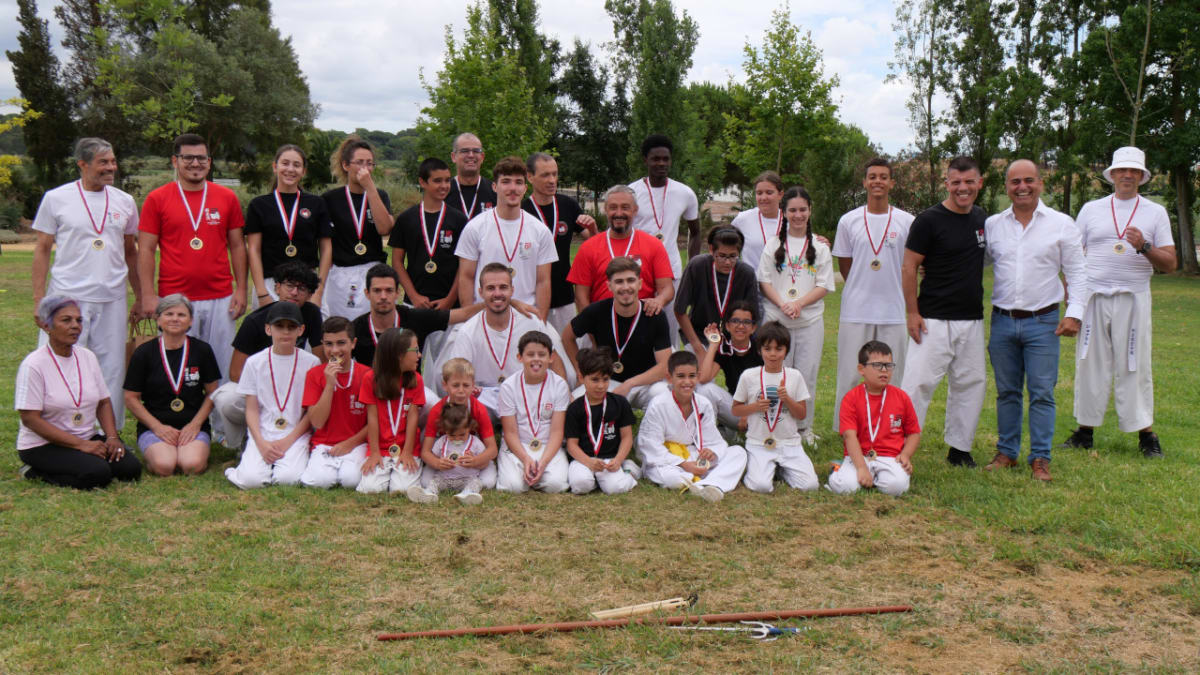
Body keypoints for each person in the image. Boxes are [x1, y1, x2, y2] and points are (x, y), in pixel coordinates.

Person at [1062, 146, 1177, 458]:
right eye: (1121, 170)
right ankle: (1085, 431)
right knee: (1089, 363)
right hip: (1094, 297)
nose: (1127, 175)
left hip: (1133, 297)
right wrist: (1072, 301)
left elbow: (1170, 264)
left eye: (1134, 171)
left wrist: (1144, 246)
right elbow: (1072, 258)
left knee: (1134, 364)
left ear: (1141, 176)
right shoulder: (1090, 210)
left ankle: (1146, 435)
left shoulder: (1155, 212)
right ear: (1111, 175)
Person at [982, 160, 1087, 481]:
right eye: (1015, 182)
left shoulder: (1061, 224)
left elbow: (1077, 271)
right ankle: (1007, 452)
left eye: (1029, 180)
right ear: (1006, 187)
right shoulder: (993, 225)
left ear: (1041, 183)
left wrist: (1075, 313)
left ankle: (1040, 458)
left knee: (1042, 392)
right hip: (1002, 321)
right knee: (1007, 392)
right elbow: (975, 261)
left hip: (1043, 322)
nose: (1022, 187)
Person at [32, 137, 142, 427]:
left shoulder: (125, 201)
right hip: (67, 298)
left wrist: (141, 298)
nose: (111, 168)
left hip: (112, 298)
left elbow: (131, 252)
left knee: (113, 368)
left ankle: (111, 434)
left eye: (113, 161)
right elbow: (42, 249)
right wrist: (39, 301)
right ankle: (56, 433)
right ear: (82, 164)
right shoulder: (56, 198)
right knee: (59, 364)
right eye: (103, 162)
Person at [900, 156, 988, 468]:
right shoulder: (928, 220)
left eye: (969, 182)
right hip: (933, 318)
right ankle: (897, 445)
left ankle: (959, 449)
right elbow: (910, 267)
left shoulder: (980, 218)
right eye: (956, 182)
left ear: (979, 182)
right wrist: (913, 312)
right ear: (947, 183)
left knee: (970, 384)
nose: (962, 188)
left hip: (972, 319)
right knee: (917, 384)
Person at [138, 132, 247, 382]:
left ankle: (219, 422)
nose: (195, 164)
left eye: (201, 158)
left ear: (209, 162)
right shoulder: (157, 198)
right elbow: (145, 250)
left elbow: (238, 247)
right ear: (175, 161)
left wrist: (241, 289)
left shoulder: (227, 197)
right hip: (174, 298)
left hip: (220, 297)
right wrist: (147, 294)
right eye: (188, 158)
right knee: (177, 367)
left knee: (221, 367)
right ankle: (179, 420)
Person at [15, 296, 142, 489]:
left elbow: (103, 402)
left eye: (78, 320)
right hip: (43, 445)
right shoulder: (33, 365)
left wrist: (112, 438)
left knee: (130, 470)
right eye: (66, 320)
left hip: (86, 436)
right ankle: (34, 471)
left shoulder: (87, 357)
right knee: (98, 474)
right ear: (47, 326)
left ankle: (83, 458)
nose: (75, 326)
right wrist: (81, 445)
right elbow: (30, 419)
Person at [830, 158, 915, 431]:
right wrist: (861, 286)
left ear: (892, 183)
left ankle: (891, 428)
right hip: (856, 310)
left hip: (893, 310)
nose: (877, 181)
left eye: (883, 177)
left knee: (892, 373)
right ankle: (845, 427)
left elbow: (910, 265)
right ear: (865, 182)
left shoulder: (906, 221)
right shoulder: (849, 220)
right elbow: (845, 265)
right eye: (872, 177)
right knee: (850, 373)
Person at [209, 262, 325, 447]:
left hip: (293, 389)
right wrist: (266, 392)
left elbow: (321, 363)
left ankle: (304, 438)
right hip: (260, 389)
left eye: (301, 288)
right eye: (289, 285)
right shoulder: (255, 321)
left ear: (310, 295)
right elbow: (235, 373)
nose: (294, 292)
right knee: (226, 399)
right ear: (277, 287)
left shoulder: (311, 314)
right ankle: (241, 442)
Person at [758, 187, 835, 443]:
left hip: (809, 321)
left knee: (805, 375)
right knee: (776, 374)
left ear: (810, 211)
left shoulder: (820, 248)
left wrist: (799, 304)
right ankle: (775, 425)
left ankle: (803, 428)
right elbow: (764, 281)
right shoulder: (773, 244)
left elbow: (824, 284)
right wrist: (783, 304)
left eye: (803, 209)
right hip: (776, 319)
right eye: (793, 210)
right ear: (784, 212)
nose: (798, 215)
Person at [436, 263, 569, 412]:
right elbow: (456, 373)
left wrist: (564, 395)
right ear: (480, 292)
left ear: (512, 290)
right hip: (483, 395)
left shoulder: (531, 322)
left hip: (523, 391)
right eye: (491, 288)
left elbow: (554, 360)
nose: (497, 293)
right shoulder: (468, 331)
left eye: (503, 287)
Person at [224, 302, 320, 489]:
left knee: (288, 479)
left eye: (291, 327)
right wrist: (260, 441)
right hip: (263, 432)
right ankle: (242, 463)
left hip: (295, 434)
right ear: (268, 329)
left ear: (301, 330)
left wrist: (288, 440)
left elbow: (310, 411)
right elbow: (251, 409)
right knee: (251, 481)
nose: (285, 332)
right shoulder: (254, 362)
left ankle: (279, 462)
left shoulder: (311, 363)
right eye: (279, 326)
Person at [123, 294, 221, 477]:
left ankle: (188, 450)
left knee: (191, 465)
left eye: (181, 315)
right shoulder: (144, 353)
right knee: (164, 466)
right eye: (169, 314)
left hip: (193, 425)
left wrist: (195, 424)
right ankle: (162, 452)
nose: (175, 319)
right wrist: (157, 427)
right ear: (158, 319)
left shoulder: (202, 350)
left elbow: (212, 392)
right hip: (155, 426)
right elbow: (130, 397)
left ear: (190, 321)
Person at [637, 351, 748, 502]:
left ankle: (709, 485)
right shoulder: (658, 404)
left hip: (694, 455)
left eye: (692, 376)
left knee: (738, 452)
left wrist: (711, 452)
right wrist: (684, 464)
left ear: (698, 376)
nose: (687, 381)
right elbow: (649, 446)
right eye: (681, 376)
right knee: (675, 479)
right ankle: (704, 482)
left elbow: (713, 440)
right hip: (668, 459)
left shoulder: (703, 403)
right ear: (669, 378)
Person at [389, 157, 469, 366]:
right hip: (415, 305)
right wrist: (413, 296)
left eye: (446, 180)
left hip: (449, 307)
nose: (444, 186)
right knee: (410, 363)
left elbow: (465, 265)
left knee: (448, 367)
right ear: (423, 182)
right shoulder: (406, 219)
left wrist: (450, 299)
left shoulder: (459, 219)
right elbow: (397, 261)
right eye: (437, 181)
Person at [563, 257, 671, 410]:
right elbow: (567, 337)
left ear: (640, 283)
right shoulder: (596, 311)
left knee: (663, 395)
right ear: (609, 286)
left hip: (644, 384)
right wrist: (580, 371)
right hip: (606, 382)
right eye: (619, 281)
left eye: (631, 280)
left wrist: (630, 383)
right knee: (576, 403)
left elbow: (664, 366)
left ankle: (652, 433)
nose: (625, 287)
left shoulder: (654, 314)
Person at [455, 156, 557, 318]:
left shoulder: (540, 231)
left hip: (526, 316)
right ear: (494, 187)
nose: (513, 188)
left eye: (518, 182)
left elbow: (543, 281)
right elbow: (466, 277)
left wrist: (541, 320)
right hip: (484, 315)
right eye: (506, 181)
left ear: (525, 188)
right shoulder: (475, 227)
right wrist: (470, 319)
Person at [350, 264, 493, 370]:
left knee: (436, 405)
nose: (383, 296)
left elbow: (463, 314)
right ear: (367, 293)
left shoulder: (414, 318)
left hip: (411, 395)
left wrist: (497, 301)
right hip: (369, 396)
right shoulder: (355, 329)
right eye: (377, 291)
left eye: (389, 290)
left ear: (398, 293)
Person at [629, 135, 700, 345]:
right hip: (638, 271)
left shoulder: (685, 193)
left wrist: (691, 266)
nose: (661, 163)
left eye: (665, 159)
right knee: (637, 329)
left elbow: (696, 232)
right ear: (645, 160)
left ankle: (668, 374)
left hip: (672, 272)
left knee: (668, 331)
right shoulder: (631, 192)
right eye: (655, 159)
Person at [731, 321, 817, 493]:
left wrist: (787, 400)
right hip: (759, 442)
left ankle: (782, 470)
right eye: (767, 348)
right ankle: (764, 468)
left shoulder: (794, 376)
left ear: (786, 351)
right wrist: (755, 407)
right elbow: (735, 410)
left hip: (788, 443)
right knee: (761, 486)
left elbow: (801, 415)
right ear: (759, 350)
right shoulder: (749, 376)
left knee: (810, 486)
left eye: (779, 349)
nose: (773, 354)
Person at [245, 144, 332, 310]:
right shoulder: (259, 205)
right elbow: (253, 250)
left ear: (304, 171)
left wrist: (318, 292)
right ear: (275, 166)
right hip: (271, 283)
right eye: (285, 163)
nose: (290, 169)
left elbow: (326, 249)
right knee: (272, 334)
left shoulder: (316, 203)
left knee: (312, 333)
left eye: (297, 165)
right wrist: (262, 293)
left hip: (307, 284)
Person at [827, 341, 920, 496]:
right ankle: (837, 469)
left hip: (890, 457)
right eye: (877, 365)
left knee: (897, 487)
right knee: (847, 488)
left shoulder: (901, 397)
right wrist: (862, 468)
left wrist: (905, 455)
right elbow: (849, 436)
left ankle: (878, 476)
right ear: (861, 369)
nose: (884, 370)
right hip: (858, 455)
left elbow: (914, 433)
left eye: (889, 366)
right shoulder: (851, 398)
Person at [566, 184, 674, 311]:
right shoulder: (588, 248)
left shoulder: (653, 245)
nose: (619, 213)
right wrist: (590, 326)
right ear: (605, 209)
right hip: (602, 324)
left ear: (635, 210)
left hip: (642, 321)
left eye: (625, 207)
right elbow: (581, 296)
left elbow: (666, 288)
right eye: (613, 208)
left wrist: (658, 300)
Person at [522, 152, 598, 333]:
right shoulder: (522, 210)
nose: (552, 180)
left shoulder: (568, 205)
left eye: (554, 174)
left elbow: (594, 242)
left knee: (567, 350)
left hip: (564, 296)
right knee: (533, 352)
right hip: (531, 298)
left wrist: (594, 227)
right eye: (545, 175)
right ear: (530, 177)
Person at [321, 135, 394, 320]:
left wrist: (370, 188)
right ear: (346, 165)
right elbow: (325, 243)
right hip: (340, 274)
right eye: (360, 162)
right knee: (339, 327)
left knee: (371, 328)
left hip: (372, 272)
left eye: (370, 163)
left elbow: (384, 229)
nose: (366, 168)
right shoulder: (330, 199)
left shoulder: (379, 195)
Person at [298, 317, 371, 489]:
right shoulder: (314, 375)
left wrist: (349, 444)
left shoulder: (367, 375)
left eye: (341, 343)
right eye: (329, 344)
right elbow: (316, 421)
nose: (335, 350)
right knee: (317, 482)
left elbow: (375, 421)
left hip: (357, 443)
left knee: (351, 480)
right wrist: (329, 384)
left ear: (353, 344)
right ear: (322, 344)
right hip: (324, 444)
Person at [494, 331, 571, 493]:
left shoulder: (559, 385)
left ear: (551, 358)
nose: (536, 359)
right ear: (520, 357)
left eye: (542, 354)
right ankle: (527, 471)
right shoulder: (508, 386)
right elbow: (510, 432)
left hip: (547, 444)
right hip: (518, 445)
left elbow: (557, 431)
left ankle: (538, 471)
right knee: (512, 487)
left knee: (555, 485)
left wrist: (542, 462)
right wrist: (525, 458)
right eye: (530, 354)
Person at [357, 329, 427, 495]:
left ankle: (401, 468)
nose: (419, 355)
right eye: (415, 350)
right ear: (398, 355)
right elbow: (372, 418)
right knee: (370, 489)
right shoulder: (371, 379)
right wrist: (374, 453)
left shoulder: (416, 379)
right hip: (380, 447)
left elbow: (412, 418)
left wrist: (408, 452)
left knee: (402, 489)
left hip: (405, 447)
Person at [675, 226, 761, 355]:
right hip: (699, 336)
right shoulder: (697, 266)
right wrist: (697, 347)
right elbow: (679, 310)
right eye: (721, 256)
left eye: (733, 256)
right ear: (711, 249)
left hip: (735, 336)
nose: (727, 262)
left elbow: (752, 316)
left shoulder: (746, 273)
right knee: (702, 373)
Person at [564, 348, 638, 495]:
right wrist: (589, 462)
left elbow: (627, 437)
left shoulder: (620, 403)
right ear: (581, 377)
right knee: (580, 485)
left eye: (605, 379)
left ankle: (627, 471)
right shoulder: (574, 408)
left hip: (609, 460)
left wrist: (618, 459)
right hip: (583, 459)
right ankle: (595, 479)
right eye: (595, 379)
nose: (601, 385)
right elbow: (571, 445)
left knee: (616, 489)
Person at [420, 358, 500, 492]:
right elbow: (426, 452)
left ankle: (468, 485)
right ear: (445, 385)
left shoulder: (478, 409)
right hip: (445, 456)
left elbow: (492, 449)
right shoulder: (437, 410)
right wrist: (438, 463)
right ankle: (458, 484)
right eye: (456, 385)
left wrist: (476, 460)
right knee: (425, 482)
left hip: (471, 455)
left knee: (489, 481)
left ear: (473, 385)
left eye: (466, 385)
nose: (461, 391)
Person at [697, 301, 763, 430]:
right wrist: (713, 345)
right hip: (738, 408)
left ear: (754, 328)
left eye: (746, 322)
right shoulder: (724, 348)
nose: (740, 326)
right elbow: (703, 379)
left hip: (762, 411)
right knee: (704, 389)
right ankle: (709, 435)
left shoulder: (761, 348)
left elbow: (770, 387)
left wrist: (748, 413)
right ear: (727, 326)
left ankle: (729, 431)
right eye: (735, 321)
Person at [410, 402, 486, 504]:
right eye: (452, 435)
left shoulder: (476, 443)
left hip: (467, 478)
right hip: (445, 478)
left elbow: (485, 463)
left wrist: (475, 461)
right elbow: (432, 458)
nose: (457, 438)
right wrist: (439, 462)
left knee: (476, 482)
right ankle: (429, 494)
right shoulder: (441, 442)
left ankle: (466, 494)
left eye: (462, 435)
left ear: (469, 427)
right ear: (444, 430)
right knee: (434, 482)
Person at [730, 171, 783, 274]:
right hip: (751, 285)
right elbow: (723, 241)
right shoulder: (743, 219)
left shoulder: (791, 220)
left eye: (769, 192)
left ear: (780, 194)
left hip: (784, 286)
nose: (763, 198)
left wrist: (821, 241)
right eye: (759, 193)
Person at [445, 132, 496, 219]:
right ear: (453, 157)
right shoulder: (442, 192)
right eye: (465, 151)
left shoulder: (495, 191)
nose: (471, 155)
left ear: (482, 157)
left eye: (476, 151)